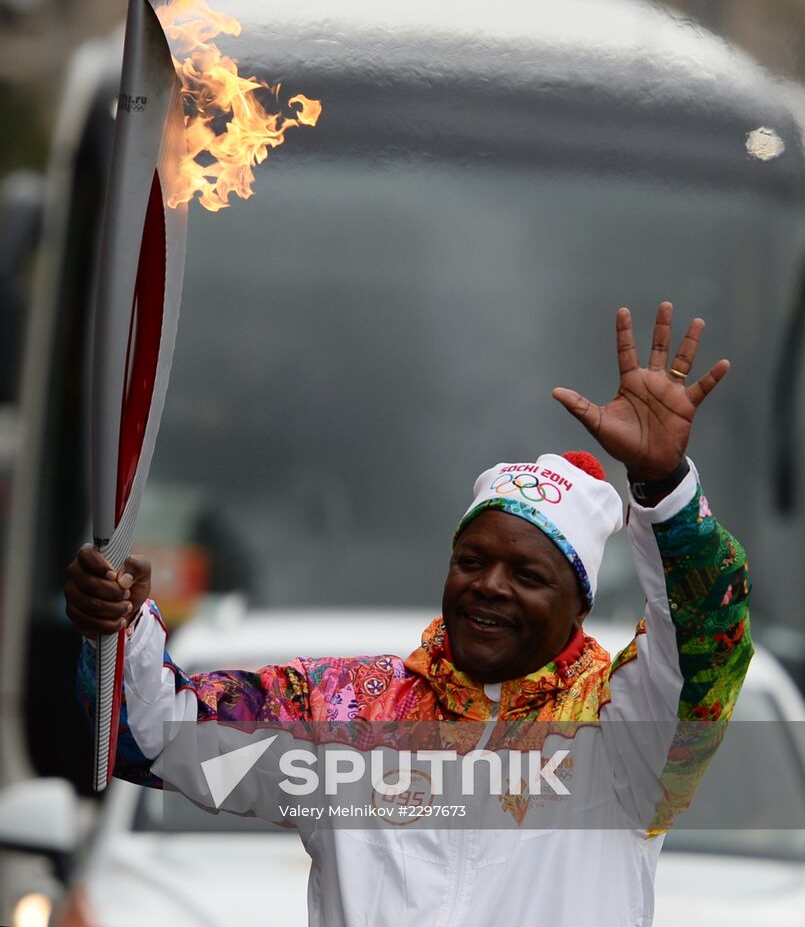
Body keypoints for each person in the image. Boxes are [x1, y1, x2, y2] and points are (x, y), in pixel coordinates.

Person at [66, 302, 752, 926]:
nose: (488, 586)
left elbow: (701, 646)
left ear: (577, 605)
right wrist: (118, 624)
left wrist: (663, 491)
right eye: (471, 560)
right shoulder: (341, 715)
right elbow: (156, 734)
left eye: (526, 575)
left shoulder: (621, 737)